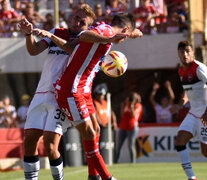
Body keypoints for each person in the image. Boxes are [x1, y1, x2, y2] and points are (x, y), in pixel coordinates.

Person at [34, 12, 143, 180]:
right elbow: (84, 35)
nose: (124, 40)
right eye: (125, 36)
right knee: (90, 135)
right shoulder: (106, 32)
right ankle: (107, 177)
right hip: (71, 90)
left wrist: (130, 34)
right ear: (125, 29)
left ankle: (93, 175)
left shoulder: (106, 31)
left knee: (96, 129)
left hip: (83, 90)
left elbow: (78, 43)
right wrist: (110, 39)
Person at [18, 4, 96, 180]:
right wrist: (28, 34)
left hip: (61, 97)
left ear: (88, 27)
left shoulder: (86, 41)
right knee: (30, 140)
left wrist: (51, 35)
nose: (77, 22)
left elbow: (73, 51)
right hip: (40, 94)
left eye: (82, 22)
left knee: (51, 146)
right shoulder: (57, 31)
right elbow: (33, 51)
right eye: (76, 17)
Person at [174, 40, 207, 180]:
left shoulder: (199, 68)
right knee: (179, 141)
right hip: (194, 112)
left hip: (205, 112)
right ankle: (192, 178)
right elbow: (188, 89)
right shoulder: (181, 70)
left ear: (192, 52)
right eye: (182, 52)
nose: (185, 54)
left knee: (205, 153)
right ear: (178, 54)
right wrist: (181, 102)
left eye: (188, 51)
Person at [115, 92, 143, 163]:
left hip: (132, 128)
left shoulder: (138, 106)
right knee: (119, 145)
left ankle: (133, 162)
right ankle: (115, 161)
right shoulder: (124, 105)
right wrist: (126, 105)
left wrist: (132, 106)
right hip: (123, 127)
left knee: (131, 145)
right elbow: (122, 114)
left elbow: (133, 115)